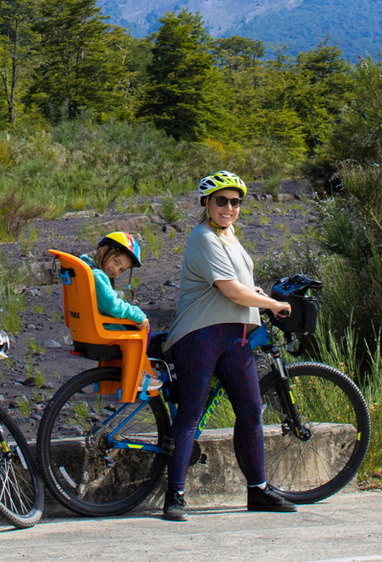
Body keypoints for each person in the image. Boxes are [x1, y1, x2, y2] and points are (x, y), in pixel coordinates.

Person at [161, 171, 293, 522]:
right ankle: (174, 496)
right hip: (200, 334)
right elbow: (231, 290)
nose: (229, 207)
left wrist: (261, 296)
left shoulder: (229, 235)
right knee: (190, 412)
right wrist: (273, 306)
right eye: (222, 200)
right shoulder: (203, 237)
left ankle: (258, 491)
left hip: (236, 335)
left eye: (235, 202)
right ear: (207, 203)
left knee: (251, 411)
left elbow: (241, 282)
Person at [80, 231, 161, 392]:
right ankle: (139, 375)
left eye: (121, 270)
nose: (115, 270)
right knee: (144, 328)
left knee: (137, 325)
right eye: (116, 262)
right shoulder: (97, 276)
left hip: (89, 324)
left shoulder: (86, 268)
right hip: (103, 328)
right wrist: (137, 314)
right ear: (103, 250)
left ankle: (132, 373)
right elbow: (113, 306)